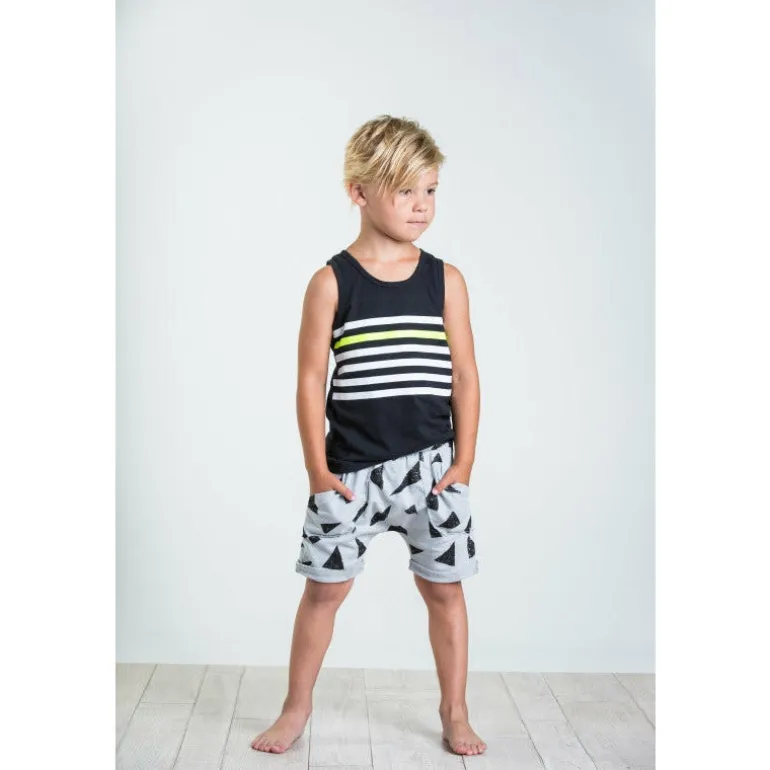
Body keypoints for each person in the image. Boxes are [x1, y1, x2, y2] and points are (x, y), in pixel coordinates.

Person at [251, 115, 485, 756]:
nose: (422, 205)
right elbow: (310, 381)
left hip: (432, 471)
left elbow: (465, 375)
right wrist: (317, 471)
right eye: (406, 191)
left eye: (430, 190)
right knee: (323, 591)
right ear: (359, 192)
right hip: (350, 473)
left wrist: (463, 461)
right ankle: (296, 708)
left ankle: (455, 711)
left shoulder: (445, 280)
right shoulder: (331, 282)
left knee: (445, 590)